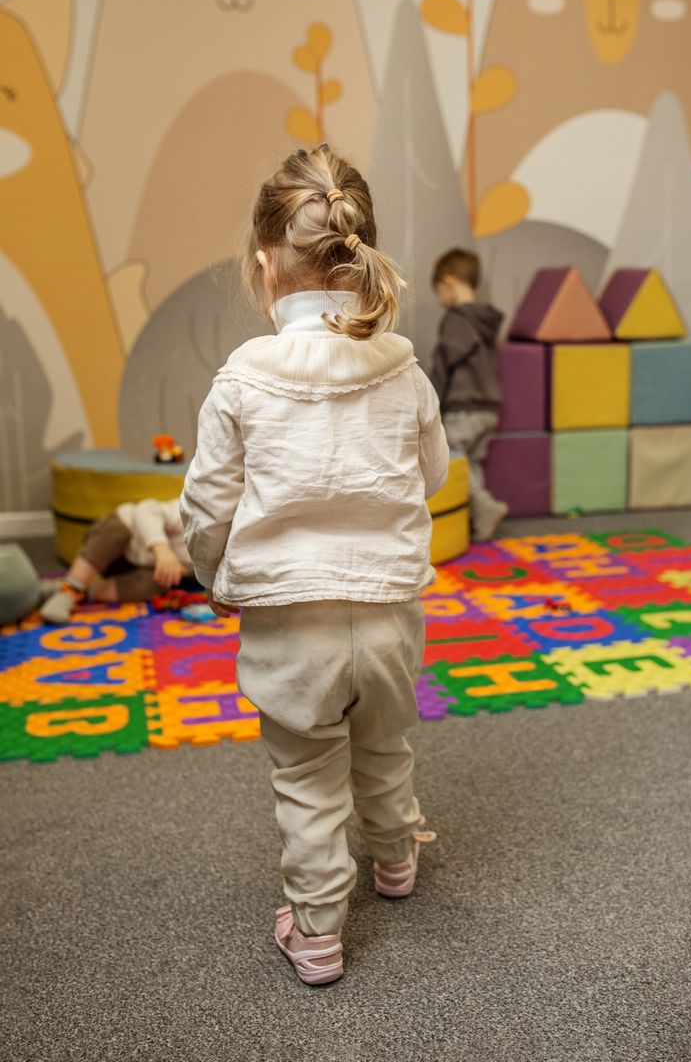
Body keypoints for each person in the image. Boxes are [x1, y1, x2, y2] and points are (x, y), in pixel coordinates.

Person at [180, 144, 449, 986]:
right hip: (388, 613)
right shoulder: (403, 367)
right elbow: (435, 473)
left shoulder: (241, 380)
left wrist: (213, 576)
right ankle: (397, 859)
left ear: (264, 265)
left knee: (306, 778)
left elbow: (206, 509)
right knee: (384, 743)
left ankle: (319, 931)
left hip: (289, 623)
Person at [430, 248, 509, 541]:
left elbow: (444, 362)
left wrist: (431, 400)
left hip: (464, 407)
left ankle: (485, 507)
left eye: (439, 291)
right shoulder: (485, 320)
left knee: (452, 462)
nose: (440, 300)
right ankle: (478, 520)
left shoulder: (456, 321)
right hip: (489, 407)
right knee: (471, 463)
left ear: (449, 282)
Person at [40, 497, 191, 623]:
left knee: (159, 584)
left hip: (134, 568)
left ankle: (81, 591)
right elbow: (146, 509)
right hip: (114, 538)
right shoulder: (190, 511)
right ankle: (71, 588)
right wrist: (161, 548)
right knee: (116, 533)